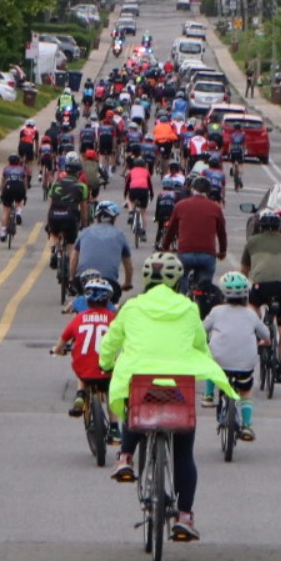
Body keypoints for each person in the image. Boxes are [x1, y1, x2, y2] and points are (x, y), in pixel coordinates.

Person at [98, 251, 236, 543]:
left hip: (143, 383)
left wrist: (106, 364)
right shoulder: (187, 308)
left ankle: (125, 455)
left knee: (133, 405)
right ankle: (184, 516)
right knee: (184, 453)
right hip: (178, 387)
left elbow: (111, 343)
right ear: (177, 281)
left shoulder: (132, 307)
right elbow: (200, 344)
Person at [201, 272, 269, 441]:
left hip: (220, 364)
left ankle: (209, 395)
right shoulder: (251, 314)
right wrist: (263, 341)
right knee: (245, 391)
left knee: (212, 363)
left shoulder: (216, 311)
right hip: (245, 365)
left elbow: (202, 329)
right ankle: (246, 425)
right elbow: (266, 334)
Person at [240, 208, 281, 370]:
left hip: (262, 286)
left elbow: (244, 271)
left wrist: (242, 290)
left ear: (260, 226)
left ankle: (257, 330)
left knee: (252, 307)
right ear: (278, 227)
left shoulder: (252, 242)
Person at [52, 276, 117, 421]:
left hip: (84, 369)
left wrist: (57, 350)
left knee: (83, 371)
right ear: (108, 300)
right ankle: (113, 428)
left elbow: (63, 340)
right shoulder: (112, 318)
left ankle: (80, 395)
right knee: (109, 391)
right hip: (106, 370)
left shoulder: (79, 318)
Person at [160, 174, 227, 291]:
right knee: (205, 287)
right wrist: (222, 251)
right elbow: (222, 232)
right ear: (208, 191)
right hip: (207, 254)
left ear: (192, 189)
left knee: (182, 280)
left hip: (185, 253)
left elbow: (171, 230)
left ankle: (183, 297)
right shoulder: (215, 208)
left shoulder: (180, 205)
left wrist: (165, 247)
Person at [69, 200, 134, 301]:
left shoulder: (85, 232)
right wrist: (127, 283)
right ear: (113, 219)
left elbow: (74, 259)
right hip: (109, 282)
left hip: (84, 280)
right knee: (113, 310)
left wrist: (72, 279)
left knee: (80, 304)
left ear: (97, 218)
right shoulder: (120, 235)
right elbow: (128, 265)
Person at [46, 151, 90, 256]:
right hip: (70, 216)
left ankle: (55, 250)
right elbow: (84, 208)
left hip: (55, 215)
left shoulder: (55, 185)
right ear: (78, 172)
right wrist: (84, 224)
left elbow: (50, 205)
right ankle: (70, 266)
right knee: (71, 242)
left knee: (54, 233)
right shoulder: (82, 187)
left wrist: (49, 222)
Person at [0, 153, 28, 241]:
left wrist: (2, 193)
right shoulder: (22, 169)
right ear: (18, 161)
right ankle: (19, 212)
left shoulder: (6, 169)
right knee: (19, 201)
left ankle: (3, 233)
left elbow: (2, 182)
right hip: (19, 186)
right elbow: (25, 182)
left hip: (8, 187)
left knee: (6, 211)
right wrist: (24, 193)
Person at [123, 154, 153, 240]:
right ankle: (143, 232)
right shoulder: (146, 172)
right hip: (144, 190)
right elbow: (150, 185)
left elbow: (127, 184)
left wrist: (125, 194)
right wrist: (151, 195)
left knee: (130, 199)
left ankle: (131, 213)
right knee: (143, 212)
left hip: (134, 190)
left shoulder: (131, 171)